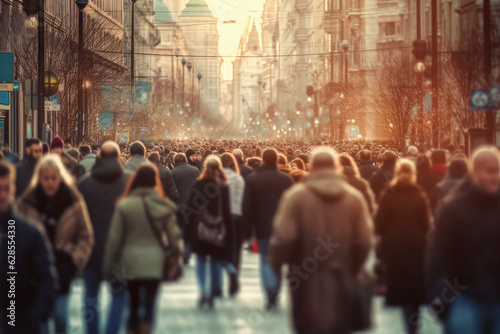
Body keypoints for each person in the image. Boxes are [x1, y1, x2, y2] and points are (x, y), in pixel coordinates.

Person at [270, 147, 373, 334]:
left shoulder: (296, 197)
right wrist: (353, 267)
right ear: (337, 167)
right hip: (342, 275)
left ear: (311, 168)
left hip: (305, 277)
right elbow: (364, 240)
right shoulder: (354, 198)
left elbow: (284, 237)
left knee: (307, 326)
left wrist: (277, 264)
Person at [16, 154, 94, 333]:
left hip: (62, 271)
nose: (50, 182)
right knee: (39, 321)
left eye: (54, 178)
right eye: (46, 178)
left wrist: (74, 259)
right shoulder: (27, 203)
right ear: (39, 178)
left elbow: (85, 235)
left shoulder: (73, 200)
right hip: (35, 274)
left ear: (60, 177)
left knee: (60, 318)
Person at [428, 146, 500, 334]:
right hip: (465, 299)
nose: (496, 176)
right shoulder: (454, 208)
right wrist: (445, 299)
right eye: (490, 171)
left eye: (498, 170)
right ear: (474, 173)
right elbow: (438, 257)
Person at [104, 164, 181, 334]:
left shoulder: (125, 205)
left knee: (133, 301)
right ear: (155, 182)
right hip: (155, 262)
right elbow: (174, 239)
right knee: (150, 304)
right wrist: (172, 254)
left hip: (129, 263)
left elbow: (114, 239)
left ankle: (133, 328)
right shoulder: (163, 205)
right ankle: (146, 329)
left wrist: (108, 265)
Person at [77, 141, 130, 334]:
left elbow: (77, 220)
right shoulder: (128, 182)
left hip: (92, 249)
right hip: (119, 251)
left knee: (91, 294)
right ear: (118, 157)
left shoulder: (85, 183)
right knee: (118, 296)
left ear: (98, 157)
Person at [0, 161, 58, 334]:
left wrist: (35, 317)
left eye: (6, 188)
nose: (2, 194)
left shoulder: (30, 233)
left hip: (20, 322)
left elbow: (47, 280)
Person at [375, 159, 431, 334]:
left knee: (399, 284)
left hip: (394, 246)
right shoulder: (419, 195)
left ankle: (407, 319)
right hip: (415, 245)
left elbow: (379, 224)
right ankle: (414, 322)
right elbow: (425, 224)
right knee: (415, 283)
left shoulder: (389, 194)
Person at [242, 148, 293, 310]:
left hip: (262, 226)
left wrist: (248, 233)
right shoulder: (286, 180)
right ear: (277, 160)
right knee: (277, 261)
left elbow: (247, 207)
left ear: (263, 160)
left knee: (265, 260)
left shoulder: (253, 180)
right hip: (282, 227)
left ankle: (270, 292)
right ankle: (275, 291)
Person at [186, 156, 233, 309]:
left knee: (200, 260)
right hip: (218, 229)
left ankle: (203, 290)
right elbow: (227, 212)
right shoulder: (224, 186)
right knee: (215, 260)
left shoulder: (198, 184)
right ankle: (213, 290)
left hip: (200, 229)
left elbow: (190, 208)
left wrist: (187, 230)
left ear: (205, 167)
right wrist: (230, 232)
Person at [220, 152, 245, 296]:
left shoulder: (218, 178)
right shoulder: (239, 179)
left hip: (223, 217)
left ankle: (227, 268)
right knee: (236, 249)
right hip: (237, 216)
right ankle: (234, 274)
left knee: (221, 248)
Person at [171, 153, 200, 263]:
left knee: (180, 228)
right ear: (185, 160)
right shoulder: (195, 170)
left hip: (179, 204)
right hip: (193, 203)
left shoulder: (172, 172)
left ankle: (181, 250)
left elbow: (172, 189)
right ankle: (188, 250)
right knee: (189, 229)